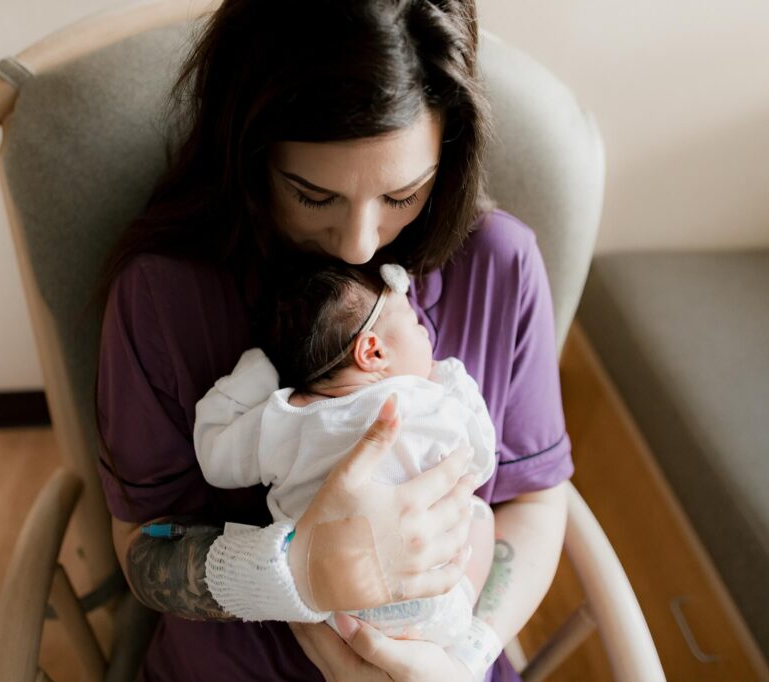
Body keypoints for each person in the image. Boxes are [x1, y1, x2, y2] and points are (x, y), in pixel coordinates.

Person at [95, 1, 572, 680]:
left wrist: (462, 657)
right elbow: (144, 547)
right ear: (250, 152)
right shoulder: (165, 296)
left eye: (404, 194)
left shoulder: (500, 266)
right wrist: (292, 572)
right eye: (314, 196)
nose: (360, 243)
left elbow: (534, 498)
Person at [193, 262, 498, 646]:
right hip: (434, 604)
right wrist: (452, 379)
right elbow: (481, 459)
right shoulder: (425, 402)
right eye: (418, 326)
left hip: (333, 618)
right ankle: (466, 640)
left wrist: (257, 370)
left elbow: (214, 457)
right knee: (481, 517)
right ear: (373, 351)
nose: (428, 337)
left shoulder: (282, 418)